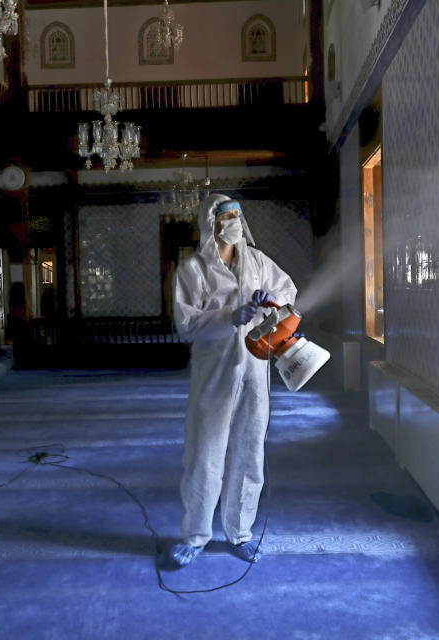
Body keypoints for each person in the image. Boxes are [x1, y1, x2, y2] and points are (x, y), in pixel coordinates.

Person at [169, 193, 297, 566]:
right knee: (204, 456)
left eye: (238, 214)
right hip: (215, 375)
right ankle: (195, 536)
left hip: (255, 373)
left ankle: (240, 532)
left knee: (249, 453)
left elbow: (288, 292)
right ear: (210, 222)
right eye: (226, 215)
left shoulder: (257, 261)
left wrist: (270, 298)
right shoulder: (192, 270)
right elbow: (187, 323)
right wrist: (230, 316)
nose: (234, 221)